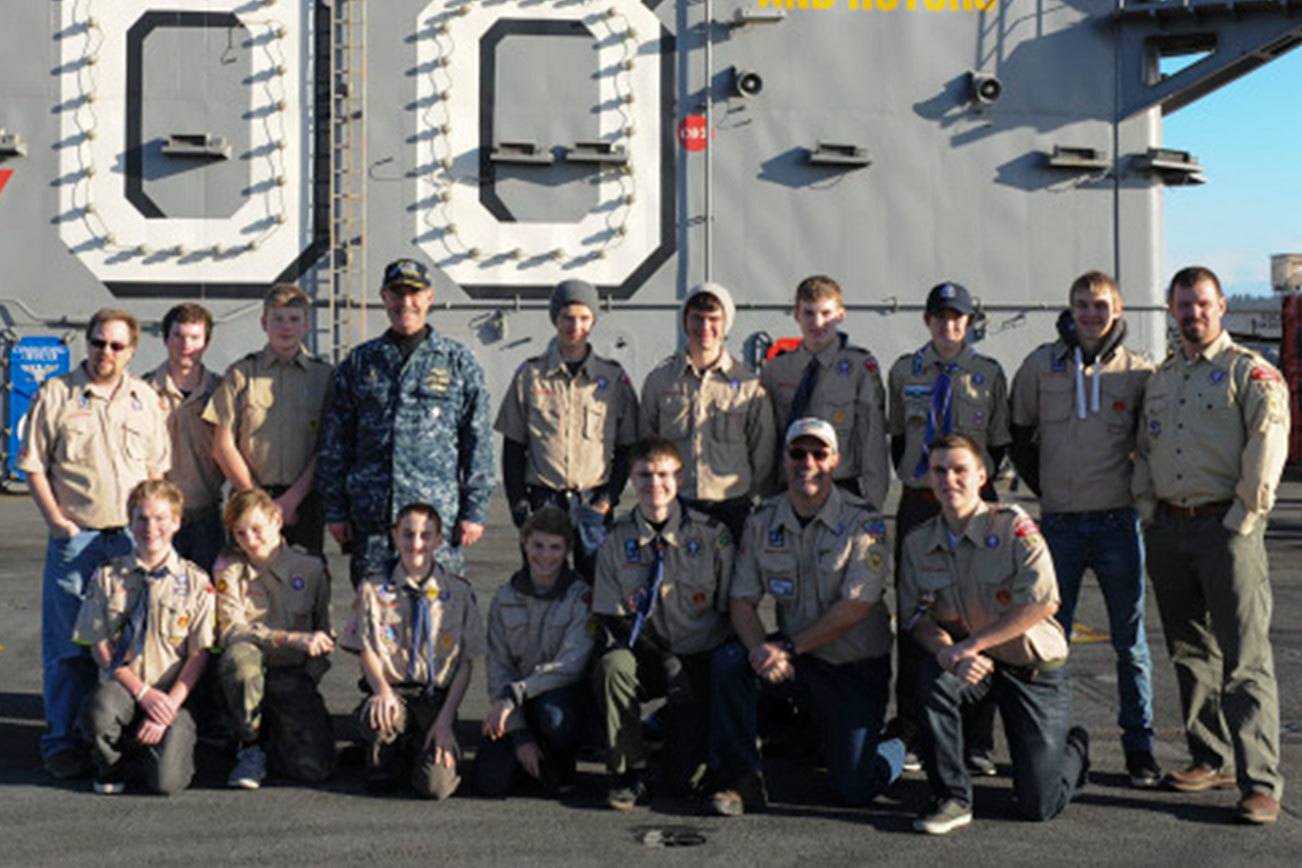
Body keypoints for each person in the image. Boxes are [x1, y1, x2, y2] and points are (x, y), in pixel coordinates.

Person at [1133, 266, 1290, 825]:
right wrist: (1150, 511)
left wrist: (1243, 517)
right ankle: (1210, 756)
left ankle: (1260, 782)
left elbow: (1269, 441)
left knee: (1245, 660)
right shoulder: (1162, 378)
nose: (1192, 314)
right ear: (1171, 310)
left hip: (1226, 529)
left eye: (1202, 304)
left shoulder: (1248, 372)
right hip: (1171, 530)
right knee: (1190, 652)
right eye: (1182, 305)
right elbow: (1143, 452)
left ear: (1221, 306)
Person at [1009, 270, 1159, 788]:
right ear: (1070, 309)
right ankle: (1051, 742)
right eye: (1081, 305)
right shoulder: (1041, 366)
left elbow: (1152, 443)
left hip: (1118, 522)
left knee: (1130, 642)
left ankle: (1139, 748)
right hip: (1061, 524)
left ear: (1118, 310)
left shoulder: (1139, 372)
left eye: (1100, 305)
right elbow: (1020, 434)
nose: (1090, 314)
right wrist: (1046, 488)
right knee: (1050, 638)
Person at [709, 418, 904, 816]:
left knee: (854, 789)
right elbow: (742, 601)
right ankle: (742, 777)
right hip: (798, 660)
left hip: (853, 667)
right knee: (730, 663)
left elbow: (856, 607)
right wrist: (761, 649)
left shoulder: (863, 522)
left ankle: (900, 743)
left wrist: (787, 647)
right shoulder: (764, 521)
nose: (807, 463)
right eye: (798, 453)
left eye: (819, 453)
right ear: (785, 459)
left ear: (835, 461)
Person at [901, 433, 1088, 835]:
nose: (949, 479)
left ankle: (1074, 750)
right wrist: (947, 651)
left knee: (1040, 803)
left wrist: (970, 645)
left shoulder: (1012, 526)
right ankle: (952, 797)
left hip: (1031, 668)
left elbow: (1043, 602)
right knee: (933, 679)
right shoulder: (918, 543)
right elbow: (914, 616)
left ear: (982, 476)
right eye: (939, 471)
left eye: (960, 470)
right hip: (976, 667)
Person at [17, 308, 170, 778]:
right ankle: (61, 741)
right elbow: (33, 463)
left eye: (117, 346)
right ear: (88, 343)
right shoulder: (56, 394)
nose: (106, 352)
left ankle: (108, 737)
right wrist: (58, 521)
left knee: (127, 645)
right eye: (99, 343)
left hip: (128, 542)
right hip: (77, 541)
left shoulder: (145, 399)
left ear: (132, 350)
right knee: (68, 648)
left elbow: (156, 471)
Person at [886, 281, 1008, 772]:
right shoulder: (903, 372)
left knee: (979, 618)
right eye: (940, 316)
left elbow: (997, 443)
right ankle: (914, 731)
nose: (949, 325)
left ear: (970, 321)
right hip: (920, 503)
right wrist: (925, 484)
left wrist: (970, 489)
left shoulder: (988, 374)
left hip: (973, 507)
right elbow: (898, 438)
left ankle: (977, 739)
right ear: (927, 320)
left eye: (958, 317)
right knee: (917, 618)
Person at [318, 258, 495, 587]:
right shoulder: (359, 363)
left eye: (414, 293)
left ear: (429, 297)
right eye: (397, 293)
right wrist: (336, 510)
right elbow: (336, 443)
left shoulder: (458, 362)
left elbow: (477, 440)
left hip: (434, 524)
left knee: (438, 618)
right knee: (375, 618)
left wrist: (474, 510)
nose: (406, 303)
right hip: (373, 523)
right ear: (384, 297)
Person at [591, 437, 735, 810]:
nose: (655, 485)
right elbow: (612, 615)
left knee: (680, 783)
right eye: (644, 475)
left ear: (680, 477)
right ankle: (629, 770)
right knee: (613, 665)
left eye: (664, 475)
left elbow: (730, 609)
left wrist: (694, 669)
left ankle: (699, 754)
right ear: (632, 481)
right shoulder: (614, 540)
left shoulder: (712, 536)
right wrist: (663, 660)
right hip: (650, 655)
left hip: (699, 658)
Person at [74, 480, 214, 795]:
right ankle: (112, 762)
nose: (151, 527)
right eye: (142, 519)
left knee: (166, 783)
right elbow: (100, 646)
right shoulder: (108, 577)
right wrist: (142, 693)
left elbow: (199, 653)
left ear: (176, 522)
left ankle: (157, 748)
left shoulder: (196, 582)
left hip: (172, 694)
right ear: (130, 523)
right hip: (125, 686)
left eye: (161, 518)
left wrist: (168, 705)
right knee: (99, 710)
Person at [339, 502, 485, 799]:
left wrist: (446, 720)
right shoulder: (373, 590)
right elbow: (366, 648)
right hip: (394, 694)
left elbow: (466, 663)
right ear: (395, 536)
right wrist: (381, 690)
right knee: (380, 751)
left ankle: (417, 746)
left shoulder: (458, 593)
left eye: (425, 535)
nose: (416, 544)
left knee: (436, 788)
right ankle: (386, 749)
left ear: (438, 540)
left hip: (436, 699)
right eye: (407, 534)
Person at [496, 278, 639, 578]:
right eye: (567, 318)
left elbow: (627, 447)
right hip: (545, 500)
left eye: (584, 318)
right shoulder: (531, 376)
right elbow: (514, 446)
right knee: (543, 585)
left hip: (592, 501)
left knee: (597, 586)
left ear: (593, 321)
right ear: (555, 320)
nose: (575, 326)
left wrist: (608, 499)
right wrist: (519, 504)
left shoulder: (613, 379)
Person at [213, 488, 335, 789]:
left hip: (292, 675)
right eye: (240, 534)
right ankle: (250, 743)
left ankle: (275, 736)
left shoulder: (311, 568)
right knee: (240, 659)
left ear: (277, 519)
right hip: (248, 675)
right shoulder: (230, 569)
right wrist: (288, 638)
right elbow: (230, 631)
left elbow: (324, 633)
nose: (251, 541)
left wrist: (308, 681)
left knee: (314, 769)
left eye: (257, 529)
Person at [640, 282, 776, 541]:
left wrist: (746, 492)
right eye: (697, 318)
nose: (704, 328)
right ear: (685, 322)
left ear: (726, 325)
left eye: (714, 319)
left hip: (731, 507)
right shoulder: (660, 381)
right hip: (676, 503)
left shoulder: (748, 386)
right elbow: (647, 442)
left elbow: (763, 450)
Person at [203, 284, 332, 553]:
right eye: (277, 319)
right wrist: (257, 500)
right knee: (245, 586)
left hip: (303, 504)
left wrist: (291, 501)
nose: (286, 327)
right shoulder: (240, 375)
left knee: (303, 586)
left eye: (294, 319)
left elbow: (327, 447)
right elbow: (222, 446)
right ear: (264, 323)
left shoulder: (325, 378)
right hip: (247, 498)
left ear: (307, 325)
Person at [477, 507, 594, 797]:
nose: (545, 555)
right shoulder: (505, 599)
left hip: (561, 699)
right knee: (488, 784)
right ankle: (528, 756)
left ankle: (560, 760)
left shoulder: (581, 597)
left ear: (568, 549)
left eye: (555, 547)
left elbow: (571, 666)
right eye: (538, 545)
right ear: (524, 543)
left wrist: (515, 693)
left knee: (553, 716)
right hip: (517, 706)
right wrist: (519, 736)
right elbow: (498, 668)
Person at [760, 275, 889, 509]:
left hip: (840, 487)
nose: (817, 323)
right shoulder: (776, 370)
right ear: (796, 314)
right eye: (808, 313)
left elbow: (872, 439)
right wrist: (767, 497)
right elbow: (767, 440)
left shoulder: (860, 368)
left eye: (826, 314)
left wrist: (874, 503)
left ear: (841, 315)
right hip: (790, 488)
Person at [145, 303, 224, 572]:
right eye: (178, 336)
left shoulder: (221, 392)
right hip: (156, 520)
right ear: (166, 339)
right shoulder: (142, 391)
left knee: (208, 599)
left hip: (207, 516)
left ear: (206, 342)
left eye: (194, 337)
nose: (185, 345)